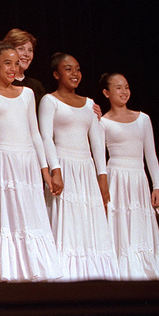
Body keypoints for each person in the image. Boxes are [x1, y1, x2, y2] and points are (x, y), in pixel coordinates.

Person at [0, 41, 62, 282]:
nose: (13, 68)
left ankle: (35, 269)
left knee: (30, 214)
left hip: (28, 162)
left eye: (16, 63)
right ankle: (8, 272)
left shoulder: (28, 94)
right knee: (8, 216)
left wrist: (45, 170)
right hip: (3, 161)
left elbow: (35, 134)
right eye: (7, 63)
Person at [38, 53, 119, 281]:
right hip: (63, 165)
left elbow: (97, 143)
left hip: (86, 170)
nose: (75, 74)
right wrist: (55, 169)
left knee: (89, 221)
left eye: (78, 69)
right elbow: (46, 138)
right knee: (68, 222)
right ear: (56, 74)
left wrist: (102, 178)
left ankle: (95, 275)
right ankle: (67, 276)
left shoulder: (90, 104)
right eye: (68, 69)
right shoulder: (49, 101)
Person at [99, 73, 159, 280]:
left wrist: (156, 185)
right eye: (118, 88)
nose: (124, 92)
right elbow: (98, 156)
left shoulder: (143, 118)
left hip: (138, 178)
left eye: (126, 87)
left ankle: (146, 270)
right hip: (117, 178)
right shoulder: (103, 122)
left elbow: (151, 154)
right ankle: (122, 272)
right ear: (106, 93)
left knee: (139, 221)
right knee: (120, 220)